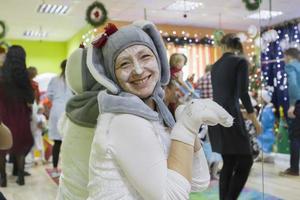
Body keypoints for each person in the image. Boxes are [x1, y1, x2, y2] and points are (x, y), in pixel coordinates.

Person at [85, 21, 233, 200]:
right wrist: (185, 128)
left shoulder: (155, 112)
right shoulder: (124, 120)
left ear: (159, 60)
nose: (138, 70)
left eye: (145, 56)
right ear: (112, 76)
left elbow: (197, 181)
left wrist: (188, 126)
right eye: (124, 64)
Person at [208, 33, 262, 200]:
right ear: (238, 47)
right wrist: (254, 119)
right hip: (231, 117)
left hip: (217, 117)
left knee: (229, 163)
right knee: (246, 162)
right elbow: (243, 93)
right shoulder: (240, 62)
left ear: (223, 46)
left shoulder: (215, 65)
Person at [0, 45, 35, 186]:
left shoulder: (1, 73)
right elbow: (30, 100)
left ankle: (3, 179)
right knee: (20, 147)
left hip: (3, 115)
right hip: (20, 117)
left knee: (1, 149)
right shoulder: (24, 77)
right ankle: (20, 177)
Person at [47, 59, 73, 177]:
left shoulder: (54, 80)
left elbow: (49, 95)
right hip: (69, 110)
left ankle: (55, 169)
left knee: (57, 142)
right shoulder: (73, 79)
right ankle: (68, 170)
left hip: (56, 110)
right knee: (69, 142)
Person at [280, 48, 300, 176]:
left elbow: (293, 85)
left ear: (288, 56)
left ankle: (294, 169)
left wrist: (292, 105)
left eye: (284, 56)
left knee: (295, 137)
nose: (283, 59)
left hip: (298, 104)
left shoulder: (290, 66)